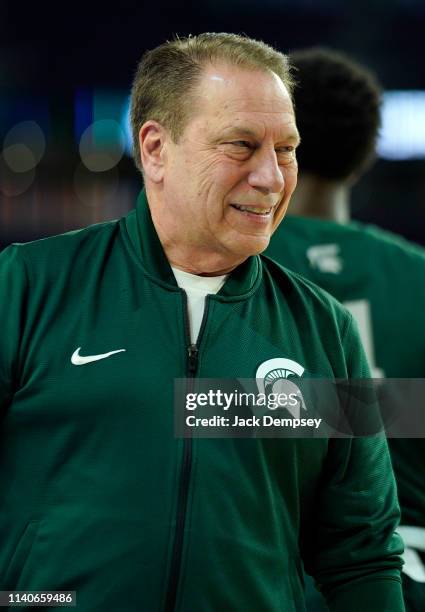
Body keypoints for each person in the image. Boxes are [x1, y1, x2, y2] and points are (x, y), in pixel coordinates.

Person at [0, 34, 405, 611]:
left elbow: (361, 552)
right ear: (156, 148)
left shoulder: (325, 331)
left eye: (286, 149)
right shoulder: (27, 286)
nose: (272, 177)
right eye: (241, 145)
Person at [265, 47, 425, 611]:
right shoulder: (417, 273)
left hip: (278, 574)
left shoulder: (228, 267)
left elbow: (188, 413)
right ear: (365, 155)